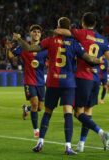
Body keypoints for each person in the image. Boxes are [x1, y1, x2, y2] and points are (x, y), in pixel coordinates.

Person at [13, 17, 103, 155]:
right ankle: (68, 146)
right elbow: (89, 59)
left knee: (47, 112)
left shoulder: (50, 40)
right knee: (67, 113)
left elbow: (30, 48)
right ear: (69, 27)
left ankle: (40, 142)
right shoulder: (74, 43)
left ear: (58, 26)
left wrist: (19, 39)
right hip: (69, 83)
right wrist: (99, 61)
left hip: (53, 82)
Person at [55, 12, 109, 152]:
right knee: (88, 111)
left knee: (78, 113)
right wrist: (99, 68)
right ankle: (81, 144)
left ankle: (101, 132)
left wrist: (55, 29)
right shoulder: (103, 39)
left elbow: (63, 31)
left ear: (83, 22)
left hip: (82, 77)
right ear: (95, 24)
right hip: (95, 80)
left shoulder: (80, 33)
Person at [8, 24, 48, 137]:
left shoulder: (45, 48)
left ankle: (27, 108)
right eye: (34, 31)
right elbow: (11, 56)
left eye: (38, 32)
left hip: (40, 81)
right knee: (35, 104)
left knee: (40, 107)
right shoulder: (23, 47)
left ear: (41, 35)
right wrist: (9, 47)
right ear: (30, 34)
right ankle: (36, 130)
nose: (36, 33)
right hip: (29, 80)